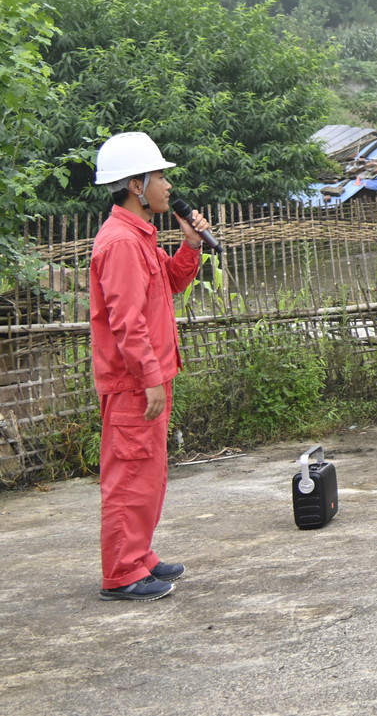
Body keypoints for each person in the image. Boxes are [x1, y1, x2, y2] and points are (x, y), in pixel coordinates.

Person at [89, 132, 212, 601]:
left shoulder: (141, 236)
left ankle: (139, 555)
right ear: (136, 186)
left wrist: (191, 244)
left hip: (150, 376)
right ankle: (121, 572)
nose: (166, 184)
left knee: (149, 472)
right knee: (129, 472)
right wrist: (149, 377)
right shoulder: (120, 242)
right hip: (134, 382)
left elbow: (172, 283)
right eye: (159, 175)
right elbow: (126, 320)